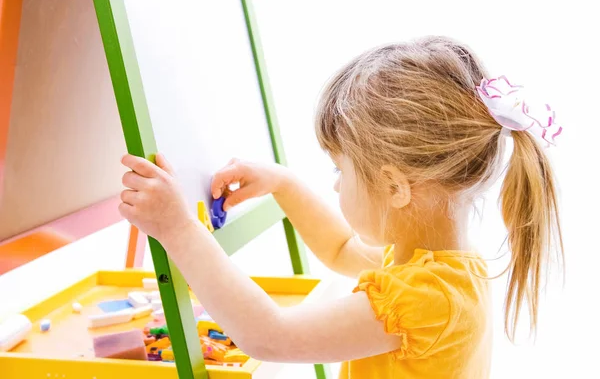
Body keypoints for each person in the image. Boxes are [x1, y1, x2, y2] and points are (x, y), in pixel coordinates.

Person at [118, 36, 563, 378]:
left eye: (339, 170)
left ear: (395, 187)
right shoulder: (440, 268)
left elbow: (270, 336)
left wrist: (178, 228)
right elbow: (340, 248)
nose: (335, 186)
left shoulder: (427, 298)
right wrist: (284, 184)